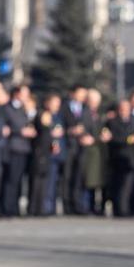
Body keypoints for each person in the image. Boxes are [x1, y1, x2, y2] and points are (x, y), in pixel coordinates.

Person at [0, 85, 36, 217]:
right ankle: (8, 208)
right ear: (16, 94)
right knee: (11, 180)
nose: (27, 96)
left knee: (20, 180)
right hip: (14, 147)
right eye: (24, 93)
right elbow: (7, 127)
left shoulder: (25, 108)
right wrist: (20, 131)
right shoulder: (8, 108)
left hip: (24, 148)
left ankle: (15, 207)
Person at [60, 86, 89, 215]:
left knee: (78, 177)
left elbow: (89, 126)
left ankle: (78, 204)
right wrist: (70, 131)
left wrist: (86, 135)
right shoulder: (64, 107)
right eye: (80, 93)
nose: (82, 96)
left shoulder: (86, 109)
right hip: (68, 146)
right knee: (67, 176)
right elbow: (59, 125)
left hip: (81, 147)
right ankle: (67, 204)